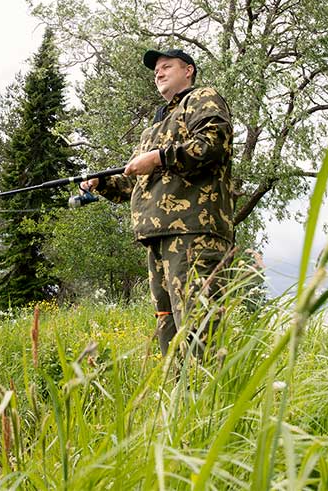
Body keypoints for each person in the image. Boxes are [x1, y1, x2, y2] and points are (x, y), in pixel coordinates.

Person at [82, 48, 234, 355]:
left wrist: (159, 157)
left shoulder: (202, 98)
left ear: (188, 70)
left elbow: (214, 144)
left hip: (194, 233)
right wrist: (102, 183)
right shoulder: (154, 128)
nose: (158, 73)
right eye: (156, 71)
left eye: (166, 67)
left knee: (198, 322)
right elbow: (133, 184)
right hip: (157, 237)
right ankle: (176, 399)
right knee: (168, 326)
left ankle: (205, 398)